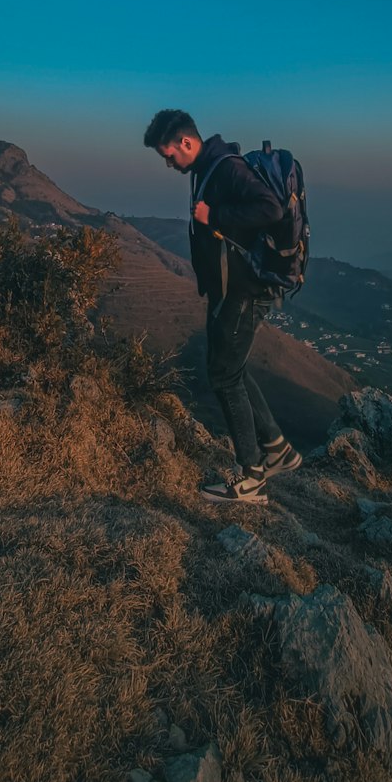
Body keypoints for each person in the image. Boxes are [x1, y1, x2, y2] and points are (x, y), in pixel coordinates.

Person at [143, 108, 303, 504]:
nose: (168, 163)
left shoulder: (225, 168)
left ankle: (252, 478)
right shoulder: (205, 168)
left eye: (168, 154)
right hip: (230, 291)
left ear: (186, 142)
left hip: (245, 291)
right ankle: (277, 449)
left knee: (223, 375)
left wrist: (215, 214)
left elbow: (271, 209)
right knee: (232, 368)